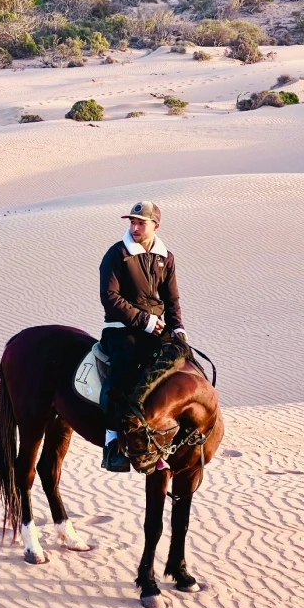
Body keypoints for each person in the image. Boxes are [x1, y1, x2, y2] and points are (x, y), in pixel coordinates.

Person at [98, 201, 188, 472]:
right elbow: (110, 298)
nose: (134, 227)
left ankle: (162, 438)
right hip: (120, 329)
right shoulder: (117, 254)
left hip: (156, 328)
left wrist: (178, 329)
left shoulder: (166, 257)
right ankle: (112, 442)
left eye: (141, 223)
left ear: (156, 226)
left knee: (180, 366)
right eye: (132, 223)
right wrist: (144, 321)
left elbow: (171, 300)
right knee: (124, 373)